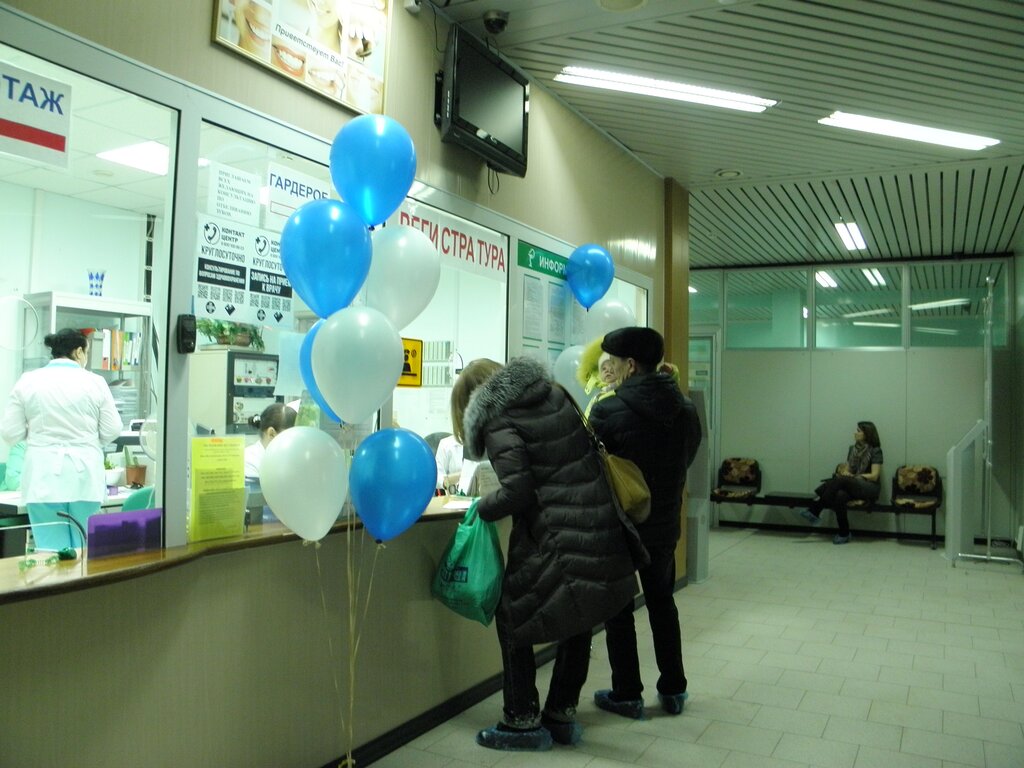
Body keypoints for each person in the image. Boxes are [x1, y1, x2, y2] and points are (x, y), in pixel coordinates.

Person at [452, 357, 641, 751]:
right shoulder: (554, 394)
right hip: (596, 524)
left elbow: (518, 489)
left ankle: (521, 722)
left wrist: (481, 508)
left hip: (555, 534)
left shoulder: (499, 420)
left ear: (472, 404)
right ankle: (561, 715)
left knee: (512, 621)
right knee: (579, 616)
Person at [588, 326, 701, 719]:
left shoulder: (607, 409)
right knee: (662, 604)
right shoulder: (685, 408)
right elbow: (687, 456)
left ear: (631, 365)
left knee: (619, 610)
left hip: (622, 526)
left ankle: (627, 694)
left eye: (613, 363)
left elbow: (592, 467)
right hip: (665, 522)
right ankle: (673, 690)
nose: (610, 370)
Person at [0, 328, 123, 550]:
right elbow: (112, 428)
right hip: (85, 475)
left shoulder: (28, 381)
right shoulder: (95, 382)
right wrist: (87, 443)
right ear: (78, 352)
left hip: (43, 475)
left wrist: (41, 438)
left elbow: (10, 433)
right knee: (86, 551)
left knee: (49, 552)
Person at [799, 421, 883, 545]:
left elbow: (874, 476)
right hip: (852, 485)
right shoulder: (852, 449)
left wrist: (855, 476)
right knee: (840, 495)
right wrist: (846, 473)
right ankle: (844, 533)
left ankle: (817, 506)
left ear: (867, 434)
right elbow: (847, 469)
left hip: (869, 487)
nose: (855, 433)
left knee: (842, 481)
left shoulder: (876, 450)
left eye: (859, 431)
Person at [243, 402, 298, 480]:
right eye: (291, 437)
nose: (296, 443)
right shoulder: (248, 462)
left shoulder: (289, 459)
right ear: (271, 433)